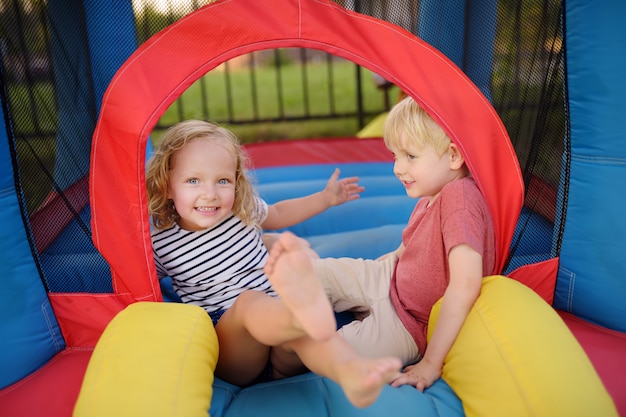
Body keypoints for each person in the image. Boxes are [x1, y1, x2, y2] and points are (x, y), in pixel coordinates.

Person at [146, 119, 401, 408]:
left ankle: (351, 371)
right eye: (193, 181)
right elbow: (139, 281)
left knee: (303, 331)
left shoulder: (241, 211)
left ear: (236, 181)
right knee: (250, 302)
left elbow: (278, 213)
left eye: (223, 180)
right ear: (166, 186)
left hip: (281, 339)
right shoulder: (160, 241)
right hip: (234, 347)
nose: (210, 193)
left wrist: (325, 198)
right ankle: (302, 313)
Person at [266, 95, 496, 392]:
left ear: (453, 156)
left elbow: (465, 284)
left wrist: (430, 363)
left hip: (409, 327)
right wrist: (365, 276)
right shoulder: (436, 192)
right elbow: (407, 249)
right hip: (388, 280)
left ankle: (273, 376)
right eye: (395, 156)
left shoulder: (459, 200)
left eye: (410, 156)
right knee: (309, 274)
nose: (397, 169)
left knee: (307, 346)